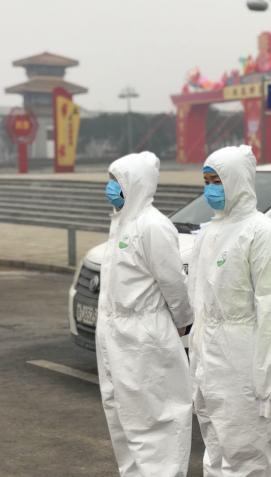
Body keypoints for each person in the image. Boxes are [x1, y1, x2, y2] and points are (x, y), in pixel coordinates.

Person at [188, 145, 271, 477]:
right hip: (212, 363)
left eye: (217, 181)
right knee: (215, 454)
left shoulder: (264, 235)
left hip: (245, 363)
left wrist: (267, 381)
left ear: (237, 181)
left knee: (246, 460)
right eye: (207, 181)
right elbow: (200, 305)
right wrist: (197, 362)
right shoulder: (210, 233)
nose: (211, 189)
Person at [96, 151, 193, 477]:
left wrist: (182, 321)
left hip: (144, 336)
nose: (111, 187)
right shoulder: (121, 223)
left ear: (135, 183)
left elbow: (174, 283)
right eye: (110, 179)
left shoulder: (153, 226)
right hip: (116, 335)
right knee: (123, 418)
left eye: (117, 181)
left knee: (156, 419)